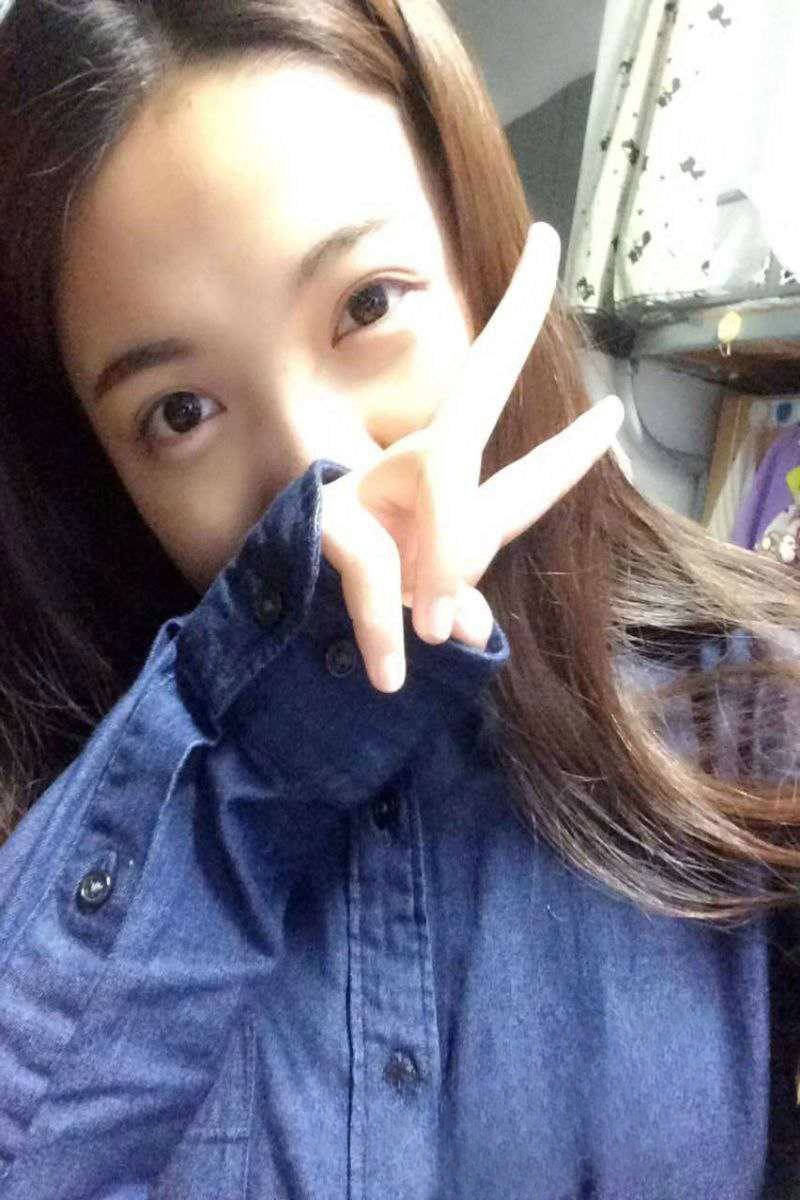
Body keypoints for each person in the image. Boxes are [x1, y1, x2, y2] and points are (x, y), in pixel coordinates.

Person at [0, 2, 799, 1196]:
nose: (320, 475)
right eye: (179, 412)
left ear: (480, 264)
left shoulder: (752, 708)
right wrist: (259, 714)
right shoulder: (54, 814)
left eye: (367, 306)